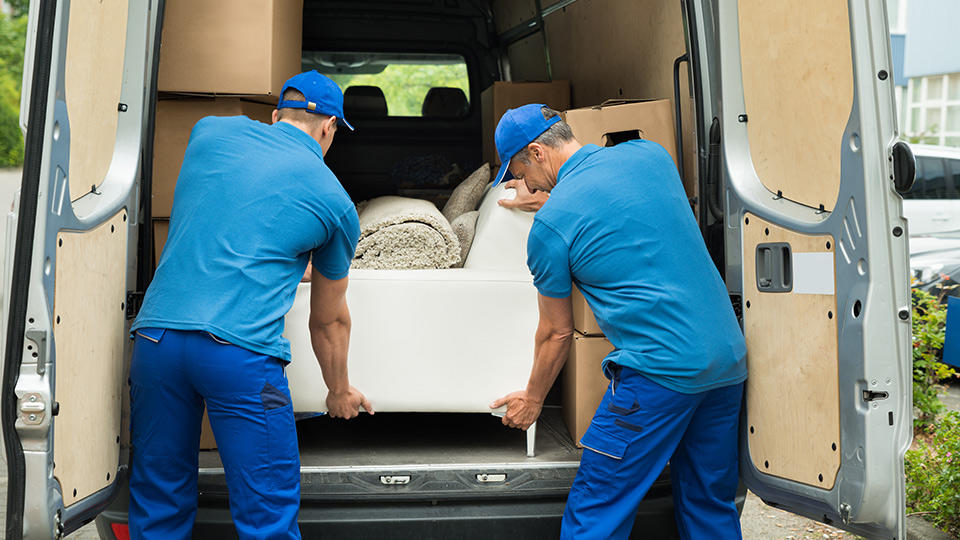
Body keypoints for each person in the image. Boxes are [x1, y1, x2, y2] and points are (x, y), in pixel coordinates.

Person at [128, 71, 372, 540]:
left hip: (156, 340)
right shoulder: (336, 203)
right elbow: (328, 320)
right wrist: (338, 390)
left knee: (158, 503)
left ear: (276, 115)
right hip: (237, 354)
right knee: (266, 518)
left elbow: (242, 215)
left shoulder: (209, 132)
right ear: (329, 129)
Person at [489, 104, 747, 540]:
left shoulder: (550, 230)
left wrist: (534, 399)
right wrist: (552, 196)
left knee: (598, 507)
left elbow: (557, 331)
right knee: (709, 502)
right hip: (726, 361)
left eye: (517, 172)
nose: (521, 184)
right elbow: (616, 196)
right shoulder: (650, 155)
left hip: (659, 374)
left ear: (537, 152)